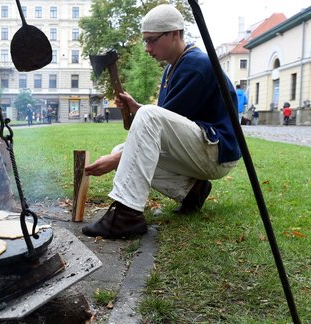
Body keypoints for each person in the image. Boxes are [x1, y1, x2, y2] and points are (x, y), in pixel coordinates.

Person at [81, 4, 241, 239]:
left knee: (132, 139)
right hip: (202, 148)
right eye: (146, 41)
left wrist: (118, 158)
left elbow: (161, 120)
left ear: (175, 33)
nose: (147, 48)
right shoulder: (172, 68)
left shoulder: (196, 65)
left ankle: (126, 215)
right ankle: (192, 191)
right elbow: (169, 120)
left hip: (217, 152)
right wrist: (136, 109)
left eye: (152, 40)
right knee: (127, 144)